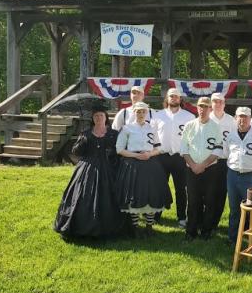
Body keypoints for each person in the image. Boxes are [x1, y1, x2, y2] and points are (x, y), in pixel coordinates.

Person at [54, 105, 123, 239]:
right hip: (87, 167)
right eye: (96, 116)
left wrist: (111, 152)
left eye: (101, 116)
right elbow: (76, 152)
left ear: (106, 118)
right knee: (82, 194)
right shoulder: (85, 133)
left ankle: (109, 227)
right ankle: (81, 225)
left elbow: (119, 151)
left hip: (108, 167)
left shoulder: (113, 133)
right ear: (92, 118)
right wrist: (82, 141)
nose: (98, 118)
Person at [115, 102, 172, 237]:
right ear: (133, 113)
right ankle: (135, 227)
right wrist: (137, 155)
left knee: (150, 194)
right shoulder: (127, 128)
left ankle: (149, 226)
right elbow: (119, 149)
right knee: (134, 194)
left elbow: (158, 148)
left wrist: (149, 154)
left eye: (143, 112)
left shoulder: (151, 128)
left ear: (147, 113)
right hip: (132, 164)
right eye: (138, 112)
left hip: (150, 164)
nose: (141, 114)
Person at [180, 97, 224, 241]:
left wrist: (203, 165)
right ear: (196, 108)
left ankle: (206, 231)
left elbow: (217, 150)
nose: (202, 109)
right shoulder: (189, 125)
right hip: (191, 169)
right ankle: (191, 231)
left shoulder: (216, 127)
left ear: (210, 108)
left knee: (210, 200)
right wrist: (193, 165)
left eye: (206, 106)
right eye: (200, 106)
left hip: (210, 169)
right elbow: (183, 148)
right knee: (193, 201)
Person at [226, 107, 252, 243]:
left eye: (245, 117)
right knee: (234, 209)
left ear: (250, 119)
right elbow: (226, 153)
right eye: (240, 116)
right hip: (233, 175)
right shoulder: (231, 135)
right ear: (235, 118)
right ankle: (233, 238)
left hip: (251, 177)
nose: (242, 120)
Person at [154, 87, 195, 228]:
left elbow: (192, 139)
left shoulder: (189, 117)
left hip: (180, 157)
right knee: (159, 187)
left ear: (180, 99)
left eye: (176, 96)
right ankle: (155, 215)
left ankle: (181, 217)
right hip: (161, 156)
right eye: (171, 96)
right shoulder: (158, 116)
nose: (174, 98)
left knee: (181, 189)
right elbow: (152, 136)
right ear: (167, 98)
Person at [209, 92, 236, 230]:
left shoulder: (231, 121)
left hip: (224, 161)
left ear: (224, 104)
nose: (218, 104)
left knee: (220, 194)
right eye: (215, 101)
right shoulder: (206, 118)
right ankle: (204, 220)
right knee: (207, 193)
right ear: (211, 103)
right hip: (207, 161)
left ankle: (214, 223)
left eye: (220, 101)